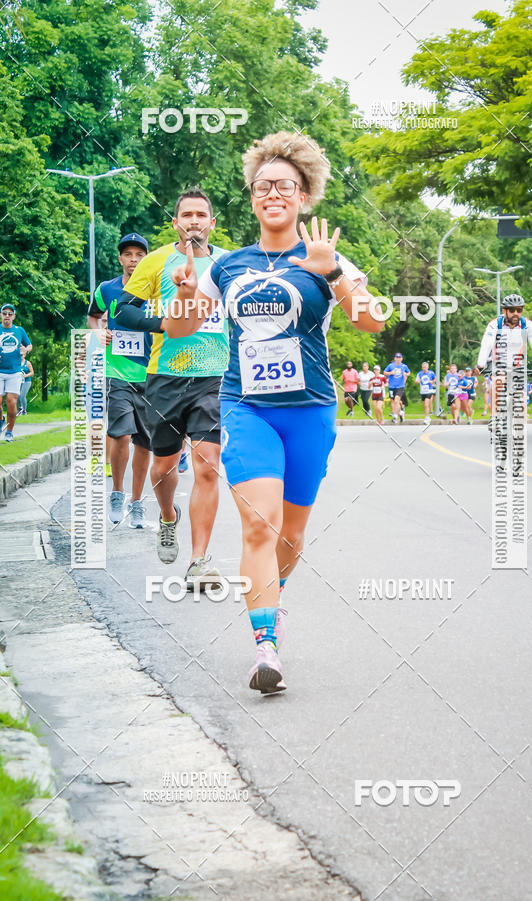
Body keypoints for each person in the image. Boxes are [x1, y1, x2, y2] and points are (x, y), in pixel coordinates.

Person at [164, 131, 383, 693]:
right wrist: (186, 291)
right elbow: (179, 328)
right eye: (263, 187)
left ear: (304, 195)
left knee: (290, 535)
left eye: (285, 186)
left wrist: (331, 273)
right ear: (253, 197)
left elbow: (372, 321)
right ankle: (266, 646)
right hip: (245, 407)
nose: (273, 194)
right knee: (259, 525)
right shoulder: (229, 265)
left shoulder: (326, 258)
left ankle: (275, 603)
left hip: (310, 410)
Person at [115, 188, 228, 589]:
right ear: (176, 222)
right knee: (164, 469)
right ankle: (167, 517)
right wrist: (164, 323)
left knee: (207, 465)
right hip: (165, 375)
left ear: (212, 223)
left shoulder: (225, 264)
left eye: (202, 214)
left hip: (215, 376)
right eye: (187, 214)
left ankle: (199, 560)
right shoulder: (157, 260)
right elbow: (123, 310)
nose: (194, 220)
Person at [88, 233, 151, 527]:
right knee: (121, 434)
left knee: (145, 443)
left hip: (152, 372)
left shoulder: (156, 287)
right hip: (118, 372)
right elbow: (93, 316)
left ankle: (137, 502)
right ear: (120, 259)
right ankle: (117, 493)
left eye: (139, 254)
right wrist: (99, 332)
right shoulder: (107, 289)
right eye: (128, 254)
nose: (134, 260)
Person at [475, 295, 532, 427]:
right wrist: (481, 364)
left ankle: (518, 424)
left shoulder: (527, 325)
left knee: (520, 395)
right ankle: (494, 417)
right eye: (512, 310)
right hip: (498, 362)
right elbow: (486, 344)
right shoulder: (495, 324)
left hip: (518, 364)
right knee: (498, 383)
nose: (516, 313)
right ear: (504, 311)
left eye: (519, 310)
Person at [0, 304, 32, 442]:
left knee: (11, 402)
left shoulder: (19, 330)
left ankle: (9, 432)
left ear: (13, 316)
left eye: (10, 314)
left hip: (14, 372)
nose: (7, 316)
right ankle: (1, 419)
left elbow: (29, 345)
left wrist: (26, 350)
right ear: (1, 314)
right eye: (4, 313)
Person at [384, 352, 410, 423]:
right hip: (392, 386)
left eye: (399, 358)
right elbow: (384, 372)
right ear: (395, 358)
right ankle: (400, 412)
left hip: (400, 386)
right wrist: (390, 373)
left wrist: (406, 374)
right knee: (393, 401)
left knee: (396, 400)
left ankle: (395, 415)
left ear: (401, 359)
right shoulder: (390, 366)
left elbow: (408, 372)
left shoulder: (404, 366)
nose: (398, 359)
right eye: (397, 358)